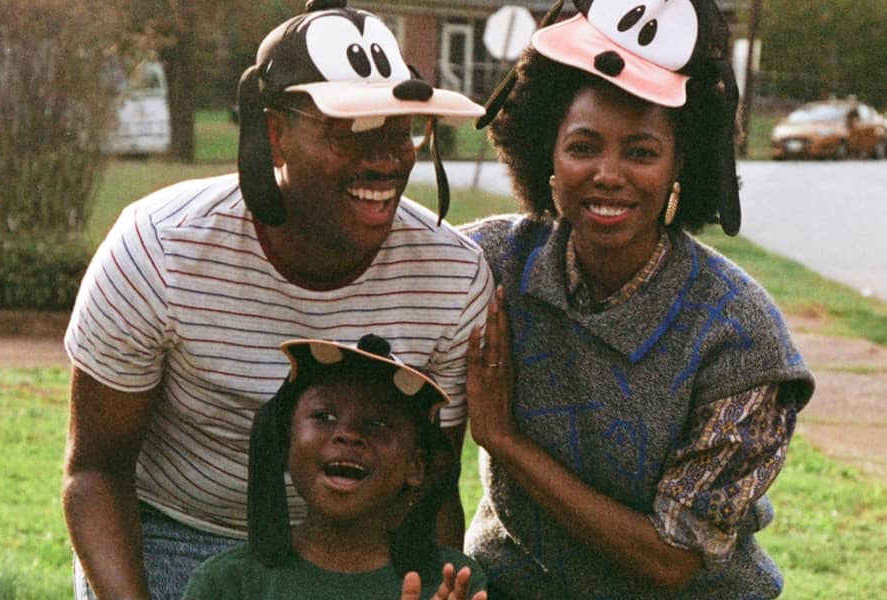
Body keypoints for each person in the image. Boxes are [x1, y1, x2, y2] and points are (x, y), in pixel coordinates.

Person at [62, 2, 491, 598]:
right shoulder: (158, 250)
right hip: (173, 531)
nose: (388, 157)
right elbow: (95, 472)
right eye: (351, 129)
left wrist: (430, 582)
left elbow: (431, 487)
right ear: (273, 132)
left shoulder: (453, 277)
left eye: (402, 127)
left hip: (356, 548)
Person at [462, 1, 815, 598]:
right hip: (513, 584)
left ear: (680, 167)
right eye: (583, 146)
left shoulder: (741, 337)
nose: (608, 173)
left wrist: (505, 440)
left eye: (641, 152)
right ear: (548, 156)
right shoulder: (491, 263)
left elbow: (671, 561)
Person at [181, 334, 487, 599]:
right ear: (285, 445)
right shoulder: (227, 583)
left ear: (416, 466)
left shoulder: (450, 582)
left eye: (379, 423)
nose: (349, 434)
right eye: (324, 416)